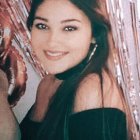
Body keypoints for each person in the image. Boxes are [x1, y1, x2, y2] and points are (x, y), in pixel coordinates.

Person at [0, 0, 134, 140]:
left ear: (94, 35)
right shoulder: (48, 83)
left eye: (69, 28)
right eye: (42, 25)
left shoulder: (92, 88)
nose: (52, 41)